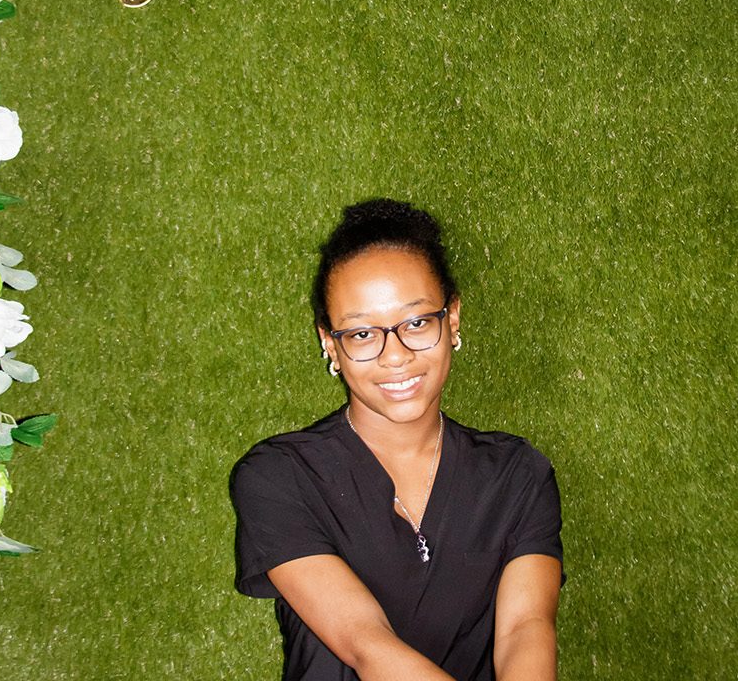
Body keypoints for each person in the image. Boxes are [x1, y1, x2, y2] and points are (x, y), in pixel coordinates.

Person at [230, 198, 564, 681]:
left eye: (415, 323)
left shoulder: (518, 476)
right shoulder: (279, 478)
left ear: (451, 320)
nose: (395, 355)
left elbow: (526, 632)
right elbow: (368, 644)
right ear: (330, 344)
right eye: (363, 333)